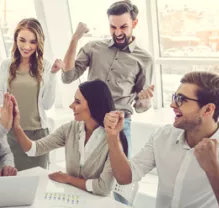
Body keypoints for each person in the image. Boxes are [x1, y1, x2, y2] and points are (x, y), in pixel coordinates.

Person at [104, 71, 219, 208]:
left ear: (208, 110)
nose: (172, 105)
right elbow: (124, 177)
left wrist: (212, 168)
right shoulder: (162, 136)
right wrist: (112, 135)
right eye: (175, 97)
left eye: (181, 100)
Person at [62, 0, 154, 157]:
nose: (118, 33)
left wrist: (145, 101)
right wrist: (75, 39)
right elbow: (68, 76)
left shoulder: (144, 59)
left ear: (135, 23)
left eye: (123, 27)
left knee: (122, 173)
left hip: (120, 122)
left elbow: (139, 106)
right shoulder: (93, 48)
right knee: (85, 169)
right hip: (90, 121)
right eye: (113, 27)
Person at [11, 79, 128, 196]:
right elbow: (33, 149)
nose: (71, 106)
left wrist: (68, 179)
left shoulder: (113, 140)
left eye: (77, 102)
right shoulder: (70, 129)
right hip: (73, 198)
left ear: (94, 105)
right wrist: (16, 127)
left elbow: (103, 188)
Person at [0, 18, 63, 171]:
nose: (26, 46)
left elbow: (47, 104)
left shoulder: (46, 65)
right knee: (14, 182)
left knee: (39, 183)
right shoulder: (6, 65)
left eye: (32, 42)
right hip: (11, 135)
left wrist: (52, 75)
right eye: (22, 40)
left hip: (38, 136)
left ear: (39, 43)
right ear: (15, 39)